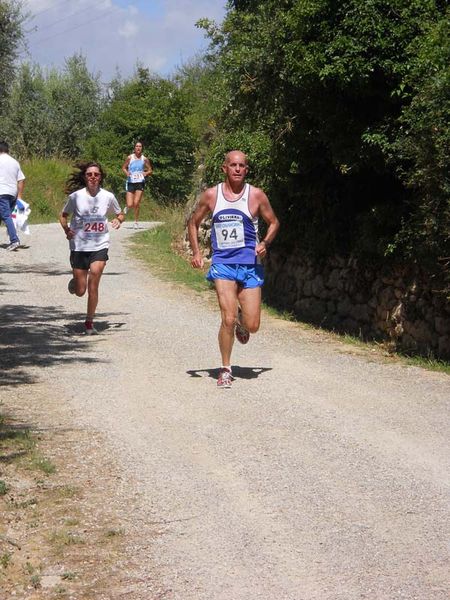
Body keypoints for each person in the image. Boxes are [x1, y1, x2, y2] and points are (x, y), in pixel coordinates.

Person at [188, 150, 280, 388]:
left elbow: (274, 222)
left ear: (246, 170)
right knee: (226, 318)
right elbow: (193, 222)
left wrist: (265, 243)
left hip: (250, 265)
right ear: (224, 168)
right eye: (233, 165)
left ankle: (242, 319)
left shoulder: (256, 195)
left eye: (242, 166)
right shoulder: (211, 195)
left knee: (253, 326)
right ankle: (226, 369)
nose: (237, 169)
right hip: (223, 264)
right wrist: (197, 253)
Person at [59, 161, 125, 335]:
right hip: (79, 246)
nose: (93, 177)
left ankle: (89, 323)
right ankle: (76, 283)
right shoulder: (75, 197)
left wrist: (118, 220)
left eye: (96, 174)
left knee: (94, 279)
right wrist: (67, 229)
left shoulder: (108, 196)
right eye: (89, 174)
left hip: (99, 244)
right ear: (84, 177)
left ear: (100, 177)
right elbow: (63, 215)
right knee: (81, 291)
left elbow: (120, 213)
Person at [0, 140, 26, 251]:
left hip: (1, 192)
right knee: (5, 216)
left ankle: (14, 240)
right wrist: (19, 196)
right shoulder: (15, 162)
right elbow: (21, 179)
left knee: (6, 216)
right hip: (12, 194)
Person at [121, 141, 152, 228]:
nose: (138, 148)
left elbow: (150, 169)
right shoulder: (130, 158)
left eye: (140, 146)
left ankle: (136, 222)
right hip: (130, 181)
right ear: (134, 148)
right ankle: (127, 207)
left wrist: (146, 173)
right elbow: (123, 167)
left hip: (140, 182)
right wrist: (127, 173)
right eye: (137, 146)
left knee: (136, 202)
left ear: (142, 148)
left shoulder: (144, 159)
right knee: (130, 204)